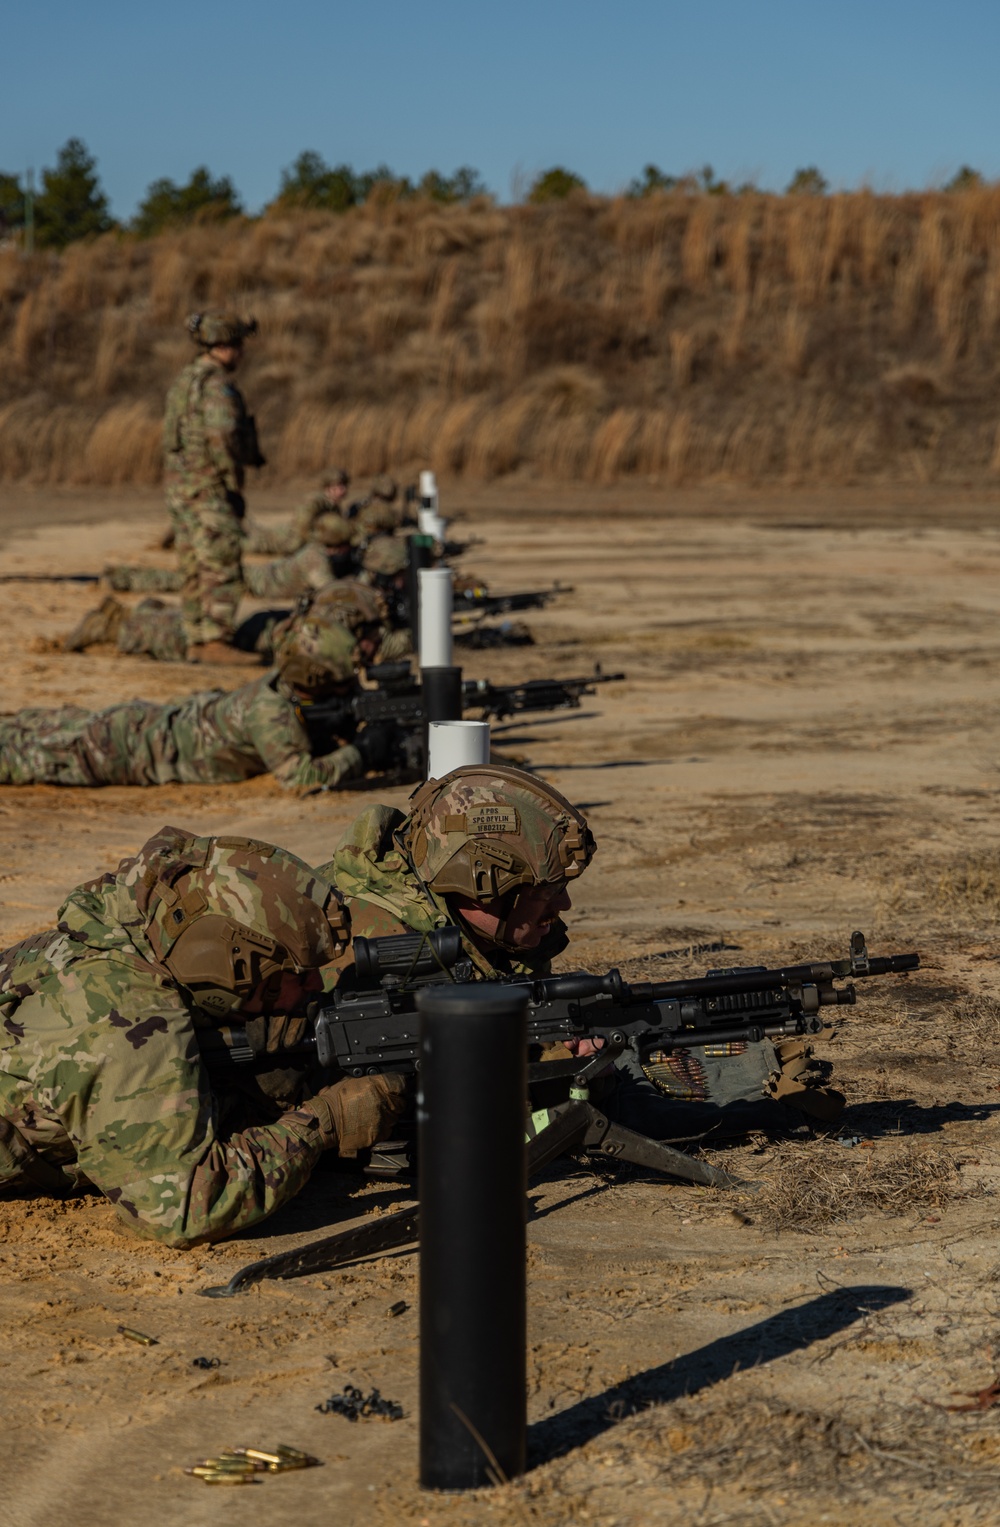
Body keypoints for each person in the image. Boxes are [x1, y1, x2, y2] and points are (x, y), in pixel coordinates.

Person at [320, 765, 844, 1136]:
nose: (563, 904)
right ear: (482, 884)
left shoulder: (458, 923)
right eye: (545, 892)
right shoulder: (379, 946)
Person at [0, 827, 405, 1246]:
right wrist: (321, 1123)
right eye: (296, 976)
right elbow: (186, 1207)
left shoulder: (134, 930)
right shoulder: (128, 1022)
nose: (313, 987)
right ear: (233, 967)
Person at [2, 614, 396, 792]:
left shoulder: (280, 688)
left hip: (142, 725)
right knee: (22, 755)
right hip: (120, 751)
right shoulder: (270, 713)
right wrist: (361, 754)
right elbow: (300, 778)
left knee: (35, 727)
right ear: (317, 679)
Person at [162, 309, 265, 664]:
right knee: (219, 564)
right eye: (239, 345)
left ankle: (197, 637)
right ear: (226, 346)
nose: (242, 353)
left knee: (192, 565)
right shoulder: (217, 385)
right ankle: (216, 639)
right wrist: (232, 485)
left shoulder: (184, 381)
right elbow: (222, 436)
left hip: (180, 489)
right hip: (207, 487)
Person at [243, 468, 351, 557]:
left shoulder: (334, 508)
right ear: (328, 488)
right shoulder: (316, 502)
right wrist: (317, 545)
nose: (343, 490)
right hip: (287, 539)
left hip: (297, 541)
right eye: (338, 486)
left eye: (344, 486)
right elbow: (301, 525)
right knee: (248, 544)